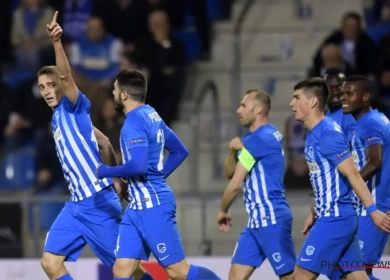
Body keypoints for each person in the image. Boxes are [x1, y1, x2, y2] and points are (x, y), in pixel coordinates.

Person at [39, 12, 152, 280]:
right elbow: (103, 142)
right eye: (42, 86)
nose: (46, 90)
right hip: (76, 206)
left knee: (129, 270)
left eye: (51, 85)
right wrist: (118, 179)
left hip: (98, 204)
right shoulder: (58, 119)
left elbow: (66, 75)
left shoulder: (74, 106)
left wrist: (57, 42)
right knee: (50, 262)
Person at [96, 69, 221, 280]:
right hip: (137, 208)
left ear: (124, 94)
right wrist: (159, 175)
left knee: (178, 271)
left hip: (153, 206)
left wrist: (107, 171)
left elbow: (139, 166)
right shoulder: (151, 114)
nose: (113, 93)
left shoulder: (133, 123)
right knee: (122, 270)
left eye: (115, 89)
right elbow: (180, 150)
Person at [289, 77, 390, 280]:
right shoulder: (314, 133)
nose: (291, 103)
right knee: (355, 278)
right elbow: (331, 180)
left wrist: (372, 210)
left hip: (334, 219)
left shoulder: (328, 134)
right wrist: (314, 211)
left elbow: (353, 173)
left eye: (297, 98)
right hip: (338, 217)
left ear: (312, 102)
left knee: (299, 276)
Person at [220, 89, 296, 280]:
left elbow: (235, 184)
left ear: (259, 110)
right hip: (255, 222)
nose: (238, 110)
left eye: (244, 105)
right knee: (235, 277)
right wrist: (232, 152)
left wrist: (222, 211)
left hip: (271, 218)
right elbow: (229, 172)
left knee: (289, 277)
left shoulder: (258, 140)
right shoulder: (263, 137)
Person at [341, 75, 390, 280]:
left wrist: (347, 184)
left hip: (374, 210)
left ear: (365, 97)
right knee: (349, 274)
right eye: (343, 93)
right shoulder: (371, 120)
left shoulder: (370, 124)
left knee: (357, 274)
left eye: (349, 93)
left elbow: (375, 162)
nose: (343, 98)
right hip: (364, 208)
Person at [324, 68, 356, 145]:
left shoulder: (349, 115)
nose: (335, 92)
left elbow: (355, 152)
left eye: (339, 86)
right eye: (330, 87)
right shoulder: (326, 117)